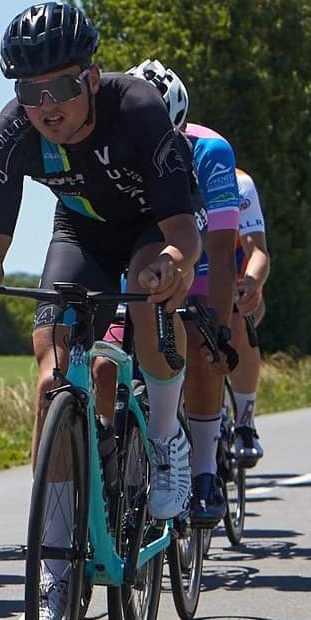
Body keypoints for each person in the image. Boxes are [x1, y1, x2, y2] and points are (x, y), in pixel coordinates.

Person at [0, 2, 202, 620]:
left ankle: (169, 440)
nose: (48, 105)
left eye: (62, 87)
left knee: (148, 314)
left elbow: (182, 233)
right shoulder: (13, 132)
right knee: (51, 377)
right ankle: (54, 572)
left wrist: (173, 265)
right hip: (82, 235)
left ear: (91, 79)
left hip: (153, 230)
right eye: (30, 92)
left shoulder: (139, 109)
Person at [128, 58, 238, 527]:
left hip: (202, 258)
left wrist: (223, 329)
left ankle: (205, 470)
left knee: (199, 342)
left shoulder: (210, 151)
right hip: (150, 254)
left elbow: (222, 243)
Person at [231, 167, 270, 464]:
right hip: (187, 271)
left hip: (234, 272)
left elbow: (258, 250)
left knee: (236, 322)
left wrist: (252, 284)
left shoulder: (238, 182)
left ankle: (244, 423)